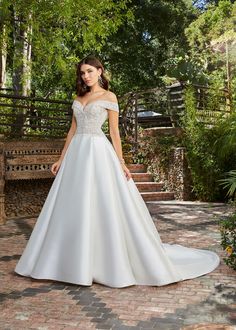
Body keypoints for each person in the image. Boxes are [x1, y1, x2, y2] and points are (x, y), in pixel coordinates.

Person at [15, 55, 220, 288]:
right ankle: (66, 259)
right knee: (71, 204)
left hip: (97, 151)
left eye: (90, 71)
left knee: (100, 202)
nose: (86, 76)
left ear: (100, 71)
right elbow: (72, 130)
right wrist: (61, 158)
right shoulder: (79, 96)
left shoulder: (108, 97)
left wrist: (121, 162)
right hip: (76, 155)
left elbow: (114, 132)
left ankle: (102, 260)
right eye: (83, 73)